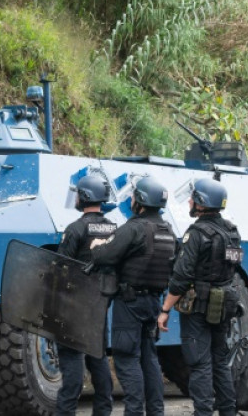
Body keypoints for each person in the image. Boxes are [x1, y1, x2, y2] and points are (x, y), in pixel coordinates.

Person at [90, 176, 175, 416]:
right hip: (153, 304)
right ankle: (156, 412)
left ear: (141, 201)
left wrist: (98, 246)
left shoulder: (134, 227)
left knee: (127, 360)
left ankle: (134, 412)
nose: (132, 200)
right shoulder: (167, 231)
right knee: (149, 360)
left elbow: (105, 256)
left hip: (130, 303)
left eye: (135, 196)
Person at [158, 177, 242, 416]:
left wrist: (165, 309)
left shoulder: (196, 233)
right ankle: (228, 410)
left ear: (202, 202)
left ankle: (203, 412)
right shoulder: (232, 231)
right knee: (220, 361)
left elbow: (182, 275)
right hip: (224, 304)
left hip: (198, 307)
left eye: (193, 198)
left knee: (199, 363)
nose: (190, 201)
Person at [55, 174, 115, 416]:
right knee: (98, 360)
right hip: (99, 305)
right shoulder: (114, 229)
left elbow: (61, 268)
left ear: (84, 196)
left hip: (73, 306)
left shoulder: (75, 229)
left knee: (71, 364)